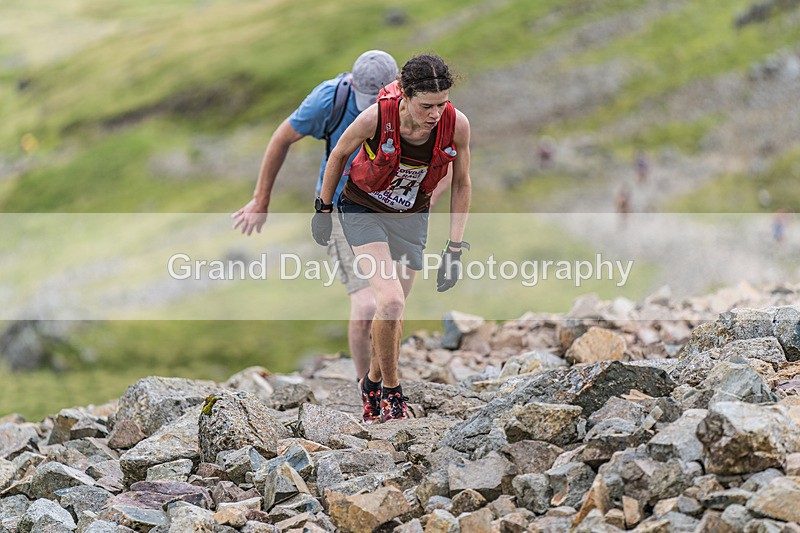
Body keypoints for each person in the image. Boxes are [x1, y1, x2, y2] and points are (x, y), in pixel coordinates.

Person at [311, 53, 472, 423]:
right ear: (404, 94)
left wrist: (455, 248)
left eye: (442, 104)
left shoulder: (457, 125)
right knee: (392, 300)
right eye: (426, 106)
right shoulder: (376, 117)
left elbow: (462, 183)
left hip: (411, 216)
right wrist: (322, 208)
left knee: (392, 312)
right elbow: (338, 154)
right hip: (363, 209)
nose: (435, 114)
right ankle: (392, 394)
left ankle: (370, 382)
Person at [231, 50, 399, 383]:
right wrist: (261, 199)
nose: (371, 109)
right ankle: (367, 389)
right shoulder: (329, 99)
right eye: (366, 100)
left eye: (378, 100)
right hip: (340, 207)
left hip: (392, 212)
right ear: (352, 85)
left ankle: (387, 376)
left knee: (391, 303)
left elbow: (449, 148)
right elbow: (281, 138)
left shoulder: (414, 103)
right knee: (366, 306)